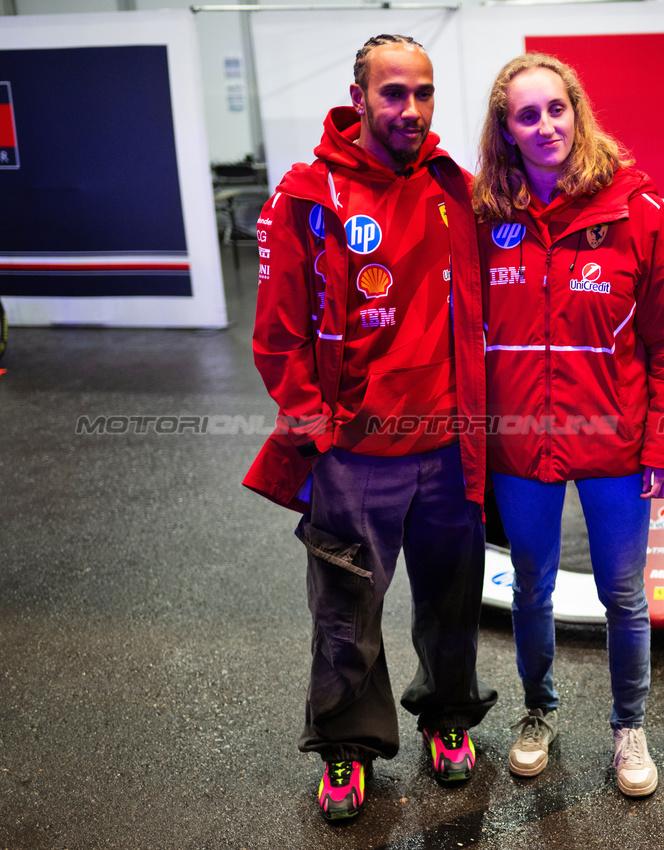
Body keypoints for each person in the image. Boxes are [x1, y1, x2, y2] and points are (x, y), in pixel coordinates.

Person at [243, 34, 495, 822]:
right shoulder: (306, 195)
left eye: (422, 92)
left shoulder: (456, 188)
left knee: (454, 603)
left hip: (452, 451)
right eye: (393, 93)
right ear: (359, 96)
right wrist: (319, 433)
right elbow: (276, 333)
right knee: (345, 613)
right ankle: (347, 749)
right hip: (355, 456)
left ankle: (449, 719)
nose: (411, 109)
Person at [472, 53, 664, 797]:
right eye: (526, 115)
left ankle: (628, 728)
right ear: (505, 130)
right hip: (518, 446)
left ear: (577, 111)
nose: (545, 126)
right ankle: (537, 713)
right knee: (530, 586)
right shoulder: (484, 220)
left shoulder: (639, 213)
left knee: (624, 595)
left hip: (612, 443)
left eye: (556, 109)